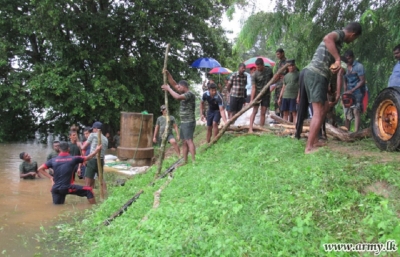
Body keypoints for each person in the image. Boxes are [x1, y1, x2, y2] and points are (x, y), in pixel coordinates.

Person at [301, 22, 362, 154]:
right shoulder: (339, 34)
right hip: (316, 74)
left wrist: (329, 82)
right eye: (354, 39)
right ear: (353, 34)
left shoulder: (338, 43)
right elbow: (327, 38)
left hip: (321, 76)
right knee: (318, 111)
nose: (352, 41)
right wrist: (338, 59)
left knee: (323, 109)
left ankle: (315, 140)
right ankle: (309, 147)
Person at [37, 141, 102, 205]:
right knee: (89, 190)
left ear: (59, 149)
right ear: (68, 149)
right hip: (67, 187)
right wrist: (96, 150)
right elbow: (88, 157)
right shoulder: (73, 158)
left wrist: (51, 178)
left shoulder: (53, 160)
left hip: (55, 189)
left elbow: (40, 169)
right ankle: (96, 208)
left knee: (57, 207)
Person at [163, 70, 196, 164]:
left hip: (189, 121)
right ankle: (185, 161)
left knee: (189, 140)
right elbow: (174, 84)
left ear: (184, 87)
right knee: (184, 141)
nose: (178, 88)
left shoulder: (189, 94)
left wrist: (168, 89)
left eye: (179, 87)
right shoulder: (183, 92)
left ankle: (194, 161)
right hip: (184, 122)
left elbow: (177, 97)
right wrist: (168, 74)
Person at [249, 58, 273, 133]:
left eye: (259, 67)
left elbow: (272, 79)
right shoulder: (254, 75)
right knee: (254, 111)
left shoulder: (269, 70)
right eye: (256, 67)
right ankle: (250, 128)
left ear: (263, 65)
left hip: (266, 95)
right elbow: (253, 88)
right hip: (257, 95)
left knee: (263, 112)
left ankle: (261, 128)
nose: (257, 68)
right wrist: (251, 100)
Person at [80, 121, 108, 188]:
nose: (92, 130)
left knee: (88, 181)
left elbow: (83, 147)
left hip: (92, 160)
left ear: (96, 129)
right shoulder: (106, 139)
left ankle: (88, 195)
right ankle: (105, 195)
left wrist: (79, 144)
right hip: (101, 161)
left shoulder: (92, 135)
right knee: (101, 179)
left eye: (93, 129)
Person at [343, 50, 365, 132]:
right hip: (348, 92)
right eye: (346, 59)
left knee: (356, 111)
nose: (347, 60)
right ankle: (346, 131)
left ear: (352, 58)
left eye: (349, 59)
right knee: (346, 112)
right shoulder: (344, 67)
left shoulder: (359, 66)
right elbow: (344, 81)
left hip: (357, 92)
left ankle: (356, 133)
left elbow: (362, 81)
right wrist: (345, 92)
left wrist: (352, 90)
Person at [278, 60, 300, 124]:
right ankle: (285, 127)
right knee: (285, 113)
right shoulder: (286, 76)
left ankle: (294, 127)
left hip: (294, 96)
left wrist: (298, 96)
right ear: (288, 67)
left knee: (294, 113)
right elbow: (283, 87)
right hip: (285, 96)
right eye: (290, 66)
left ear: (295, 66)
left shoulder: (299, 74)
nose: (291, 67)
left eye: (292, 65)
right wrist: (280, 97)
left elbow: (300, 87)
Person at [273, 48, 288, 117]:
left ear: (283, 53)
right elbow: (277, 74)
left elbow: (290, 73)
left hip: (283, 85)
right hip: (278, 84)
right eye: (276, 54)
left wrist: (284, 76)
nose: (277, 56)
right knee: (276, 100)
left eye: (278, 54)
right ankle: (277, 116)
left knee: (281, 100)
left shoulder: (287, 62)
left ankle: (282, 117)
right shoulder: (279, 63)